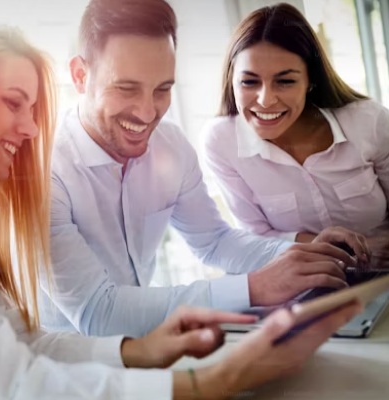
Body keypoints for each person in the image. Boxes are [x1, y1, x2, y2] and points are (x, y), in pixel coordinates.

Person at [0, 17, 363, 400]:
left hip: (85, 369)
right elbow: (16, 378)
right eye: (13, 103)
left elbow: (23, 344)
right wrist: (213, 379)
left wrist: (296, 250)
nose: (30, 129)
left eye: (162, 89)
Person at [42, 0, 368, 337]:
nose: (147, 112)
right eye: (126, 88)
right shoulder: (42, 172)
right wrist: (253, 288)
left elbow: (214, 241)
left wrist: (305, 254)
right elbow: (98, 313)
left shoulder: (170, 144)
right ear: (80, 76)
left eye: (163, 89)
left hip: (148, 344)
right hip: (65, 358)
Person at [202, 3, 389, 265]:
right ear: (232, 80)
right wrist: (320, 244)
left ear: (310, 80)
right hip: (302, 280)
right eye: (249, 81)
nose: (266, 100)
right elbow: (254, 236)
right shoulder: (221, 142)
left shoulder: (368, 121)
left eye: (285, 81)